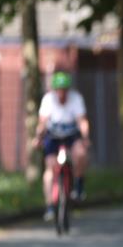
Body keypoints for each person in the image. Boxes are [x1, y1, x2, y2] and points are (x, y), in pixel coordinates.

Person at [35, 71, 90, 221]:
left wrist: (85, 138)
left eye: (64, 89)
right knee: (50, 168)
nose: (62, 93)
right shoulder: (48, 100)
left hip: (71, 135)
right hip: (53, 136)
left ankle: (78, 185)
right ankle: (50, 206)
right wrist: (38, 137)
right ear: (54, 90)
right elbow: (42, 123)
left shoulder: (76, 99)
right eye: (59, 90)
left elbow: (82, 122)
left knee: (80, 153)